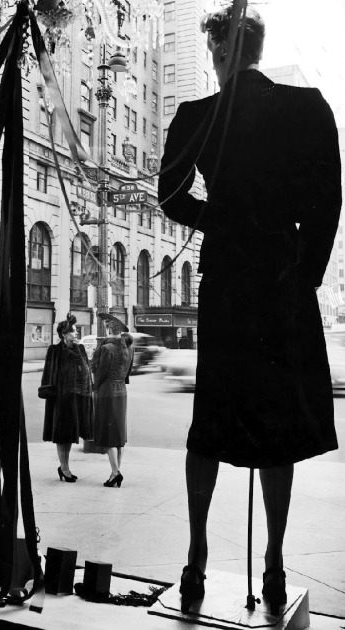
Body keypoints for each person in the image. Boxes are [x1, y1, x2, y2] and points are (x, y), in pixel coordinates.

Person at [158, 5, 341, 614]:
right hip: (282, 282)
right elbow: (326, 200)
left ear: (218, 52)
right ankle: (274, 558)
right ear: (258, 47)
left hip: (230, 281)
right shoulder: (307, 109)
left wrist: (219, 220)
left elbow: (170, 193)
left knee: (212, 416)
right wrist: (304, 269)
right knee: (278, 428)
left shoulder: (200, 117)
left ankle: (196, 558)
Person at [40, 313, 94, 482]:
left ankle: (65, 467)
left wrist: (77, 350)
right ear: (64, 334)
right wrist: (49, 392)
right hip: (60, 398)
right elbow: (48, 373)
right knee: (61, 433)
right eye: (73, 331)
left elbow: (86, 371)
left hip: (75, 397)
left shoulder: (80, 348)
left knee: (70, 434)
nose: (76, 333)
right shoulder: (54, 350)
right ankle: (64, 467)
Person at [92, 314, 134, 488]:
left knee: (108, 435)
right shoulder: (129, 348)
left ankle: (116, 473)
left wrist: (95, 386)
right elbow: (128, 372)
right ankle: (114, 472)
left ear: (109, 329)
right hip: (122, 392)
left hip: (107, 392)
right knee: (118, 434)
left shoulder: (107, 348)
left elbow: (100, 372)